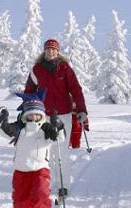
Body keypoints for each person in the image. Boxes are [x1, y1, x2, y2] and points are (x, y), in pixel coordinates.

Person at [23, 38, 88, 192]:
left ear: (58, 51)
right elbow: (29, 92)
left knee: (61, 151)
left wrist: (82, 110)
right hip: (43, 117)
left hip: (63, 115)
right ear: (44, 51)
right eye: (48, 49)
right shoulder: (37, 69)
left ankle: (63, 185)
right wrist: (29, 110)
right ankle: (45, 184)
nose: (50, 52)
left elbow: (76, 89)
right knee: (44, 151)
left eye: (53, 49)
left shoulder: (65, 68)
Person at [0, 92, 65, 208]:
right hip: (20, 170)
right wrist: (2, 120)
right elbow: (4, 132)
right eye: (30, 115)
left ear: (42, 115)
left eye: (37, 115)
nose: (33, 118)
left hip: (40, 170)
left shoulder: (45, 129)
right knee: (20, 198)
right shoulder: (19, 128)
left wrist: (58, 125)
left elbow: (59, 137)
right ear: (25, 115)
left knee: (40, 197)